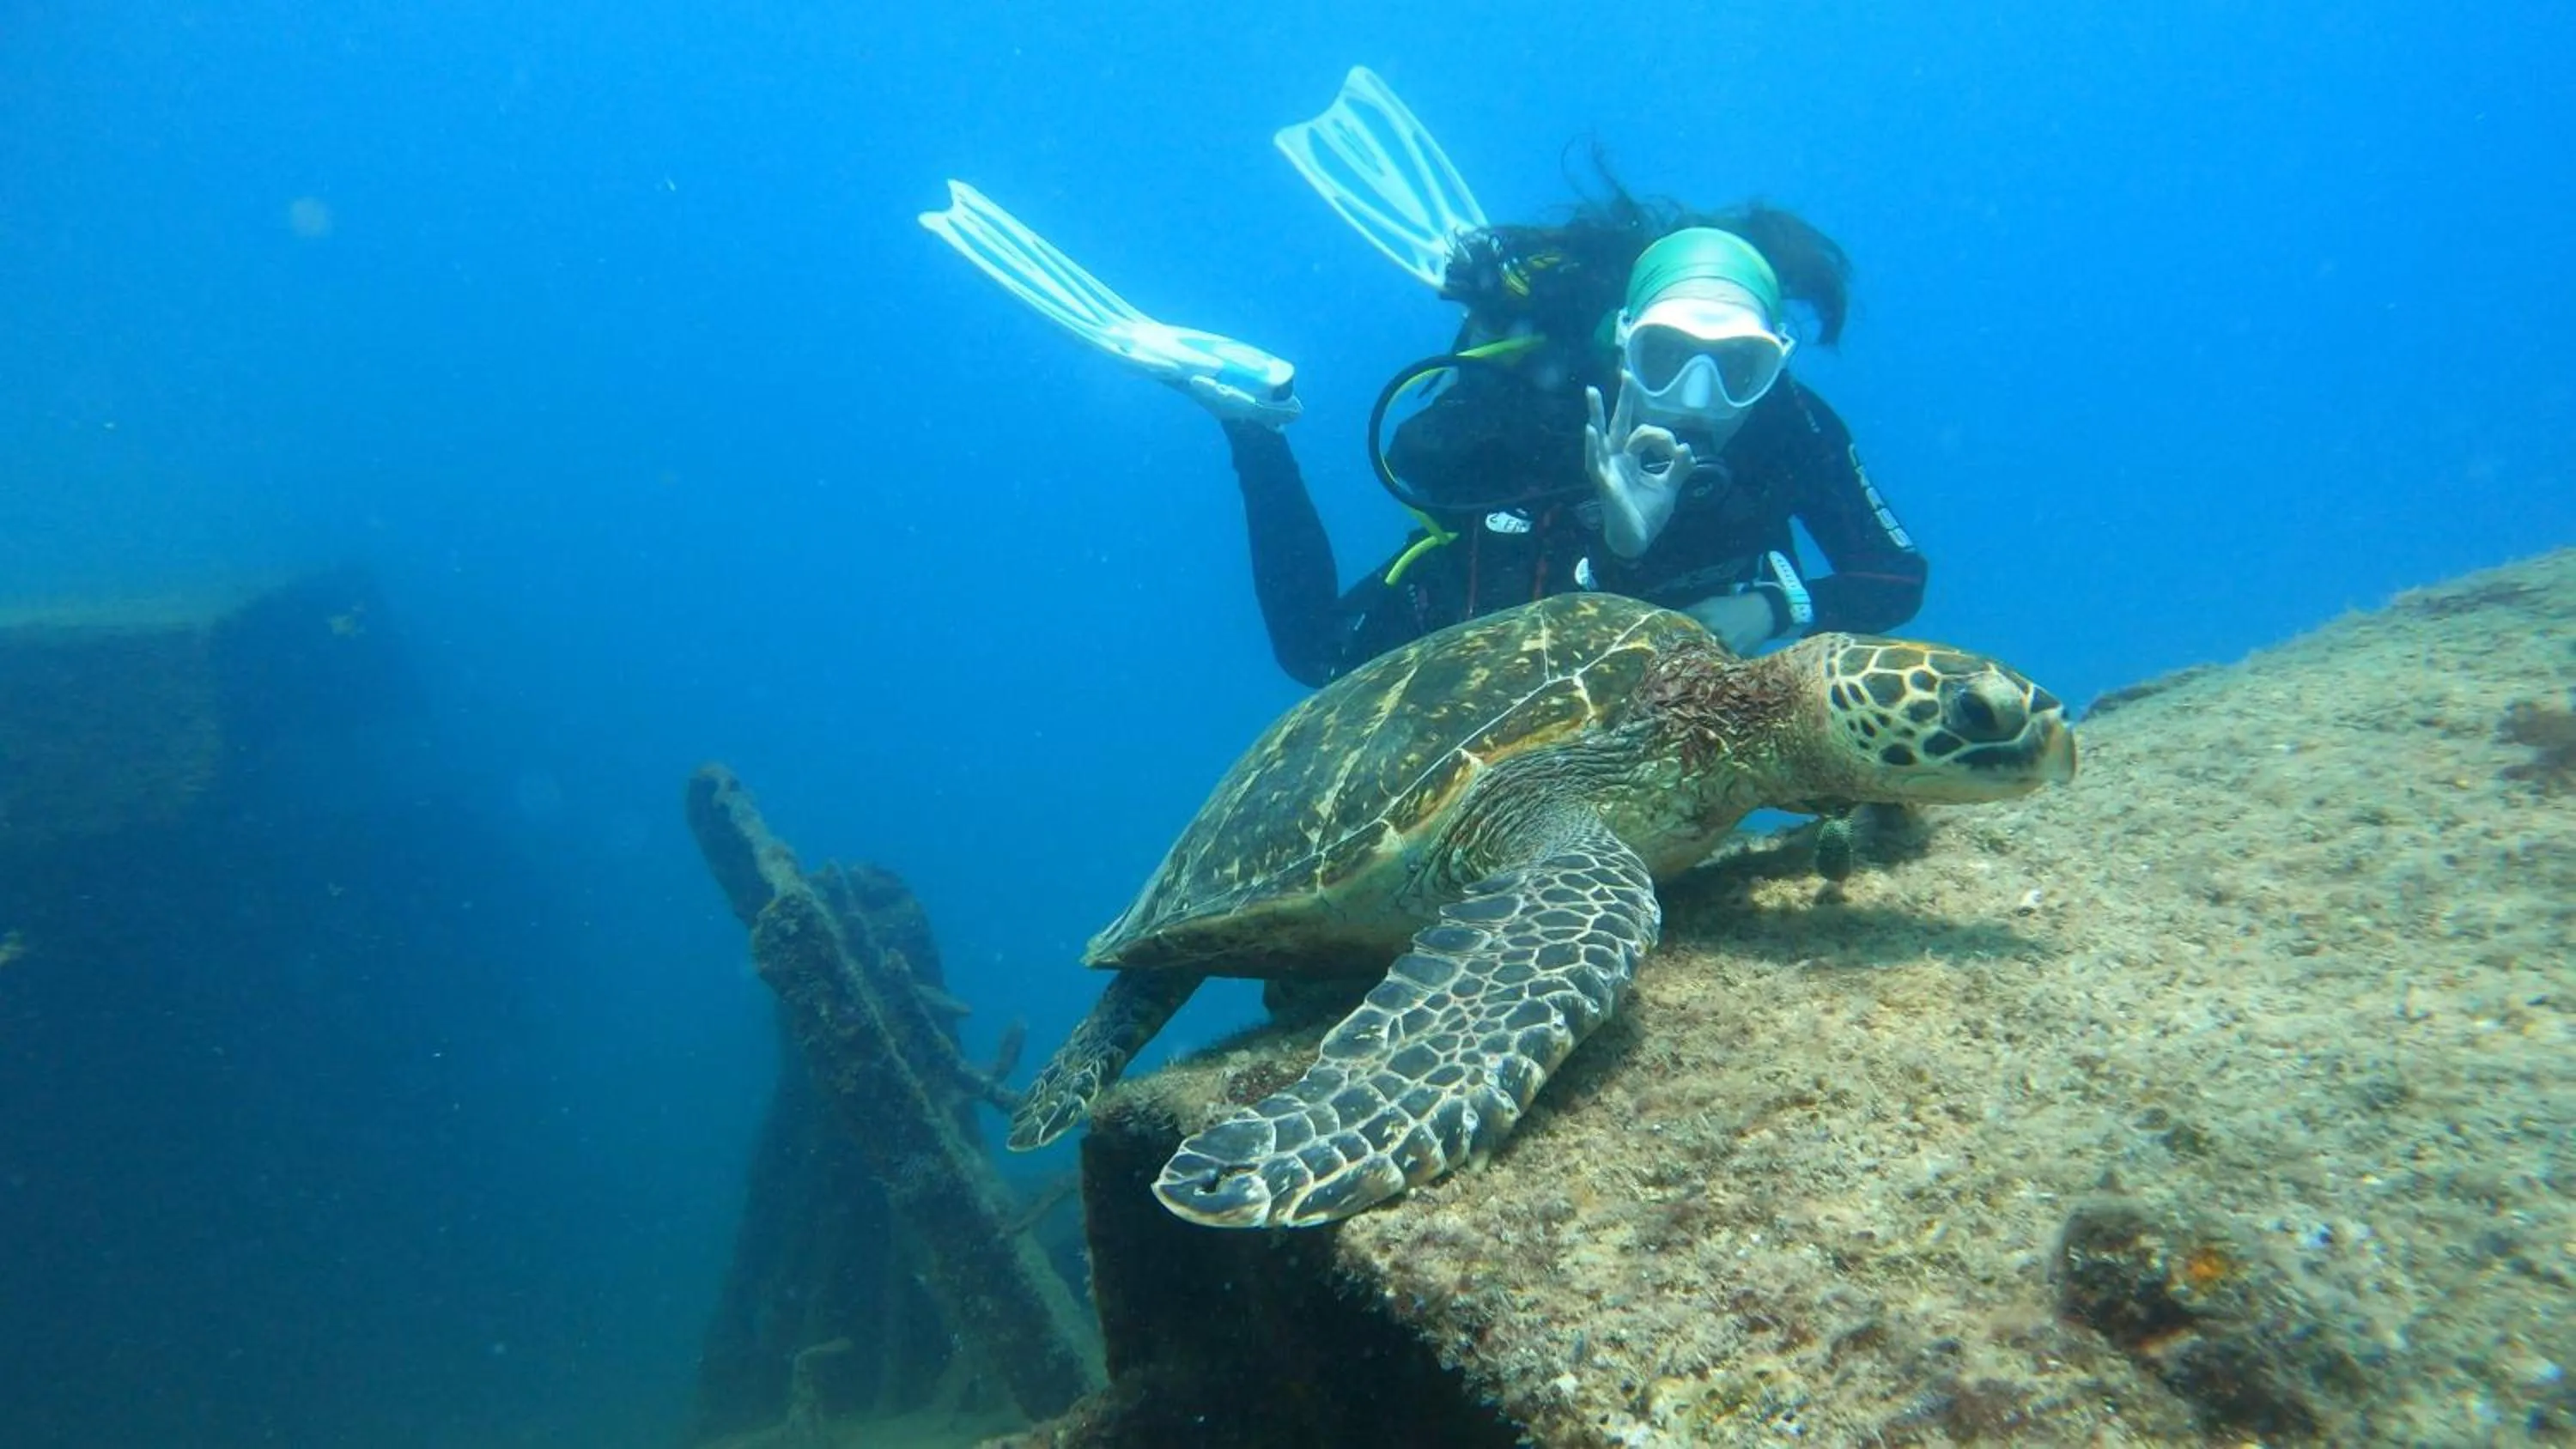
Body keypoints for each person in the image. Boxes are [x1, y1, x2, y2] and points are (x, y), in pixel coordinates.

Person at [920, 69, 1925, 686]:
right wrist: (1604, 539)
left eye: (1740, 366)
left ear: (1776, 360)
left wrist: (1779, 608)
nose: (1698, 395)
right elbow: (1519, 624)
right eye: (1666, 356)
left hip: (1650, 657)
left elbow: (1893, 577)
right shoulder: (1549, 411)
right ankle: (1251, 423)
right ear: (1622, 339)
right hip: (1497, 606)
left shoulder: (1796, 427)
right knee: (1317, 657)